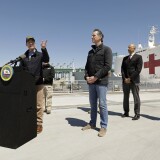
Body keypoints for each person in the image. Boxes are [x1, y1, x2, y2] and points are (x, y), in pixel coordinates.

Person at [82, 29, 112, 137]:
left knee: (102, 105)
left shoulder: (107, 50)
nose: (91, 37)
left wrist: (95, 77)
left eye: (93, 35)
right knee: (93, 104)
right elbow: (86, 67)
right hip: (91, 83)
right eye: (91, 35)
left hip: (101, 82)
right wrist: (86, 77)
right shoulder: (90, 52)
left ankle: (103, 126)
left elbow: (107, 66)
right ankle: (92, 123)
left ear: (100, 36)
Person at [20, 36, 49, 134]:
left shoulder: (40, 54)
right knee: (28, 105)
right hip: (28, 85)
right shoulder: (23, 57)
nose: (30, 43)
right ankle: (29, 122)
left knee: (39, 105)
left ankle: (39, 124)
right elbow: (21, 70)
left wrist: (44, 48)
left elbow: (46, 59)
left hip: (38, 84)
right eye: (28, 42)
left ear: (34, 43)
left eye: (32, 41)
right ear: (26, 44)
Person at [121, 43, 143, 120]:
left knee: (136, 97)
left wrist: (130, 78)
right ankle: (126, 112)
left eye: (130, 47)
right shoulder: (125, 58)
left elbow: (138, 70)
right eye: (128, 47)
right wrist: (125, 78)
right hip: (125, 81)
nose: (128, 48)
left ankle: (137, 114)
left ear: (134, 48)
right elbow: (122, 69)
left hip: (134, 80)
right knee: (125, 97)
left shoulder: (139, 57)